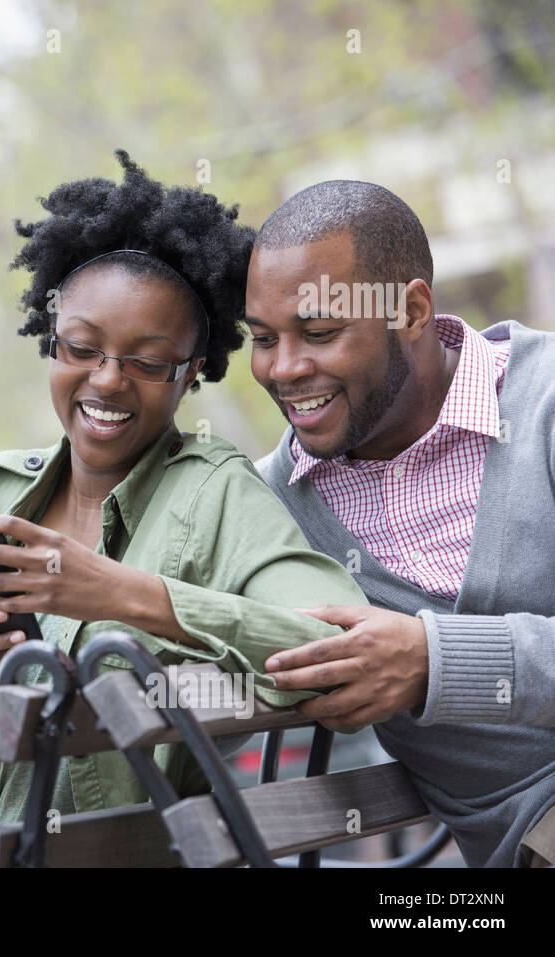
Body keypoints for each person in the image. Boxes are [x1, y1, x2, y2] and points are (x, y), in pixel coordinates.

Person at [0, 150, 370, 867]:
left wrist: (124, 593)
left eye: (149, 361)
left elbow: (340, 649)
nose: (109, 381)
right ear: (51, 342)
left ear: (192, 373)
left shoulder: (214, 491)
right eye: (82, 348)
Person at [244, 180, 555, 867]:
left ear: (411, 310)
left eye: (320, 332)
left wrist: (432, 660)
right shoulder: (273, 510)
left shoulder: (544, 404)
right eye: (263, 338)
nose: (285, 368)